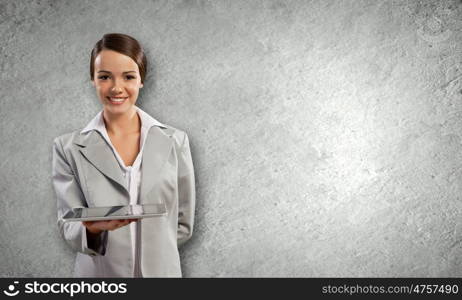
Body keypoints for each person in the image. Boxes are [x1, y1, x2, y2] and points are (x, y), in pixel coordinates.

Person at [51, 33, 195, 277]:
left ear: (141, 80)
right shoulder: (68, 148)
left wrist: (155, 251)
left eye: (128, 76)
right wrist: (93, 230)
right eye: (105, 76)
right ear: (92, 80)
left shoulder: (175, 141)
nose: (116, 88)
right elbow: (68, 224)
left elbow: (182, 223)